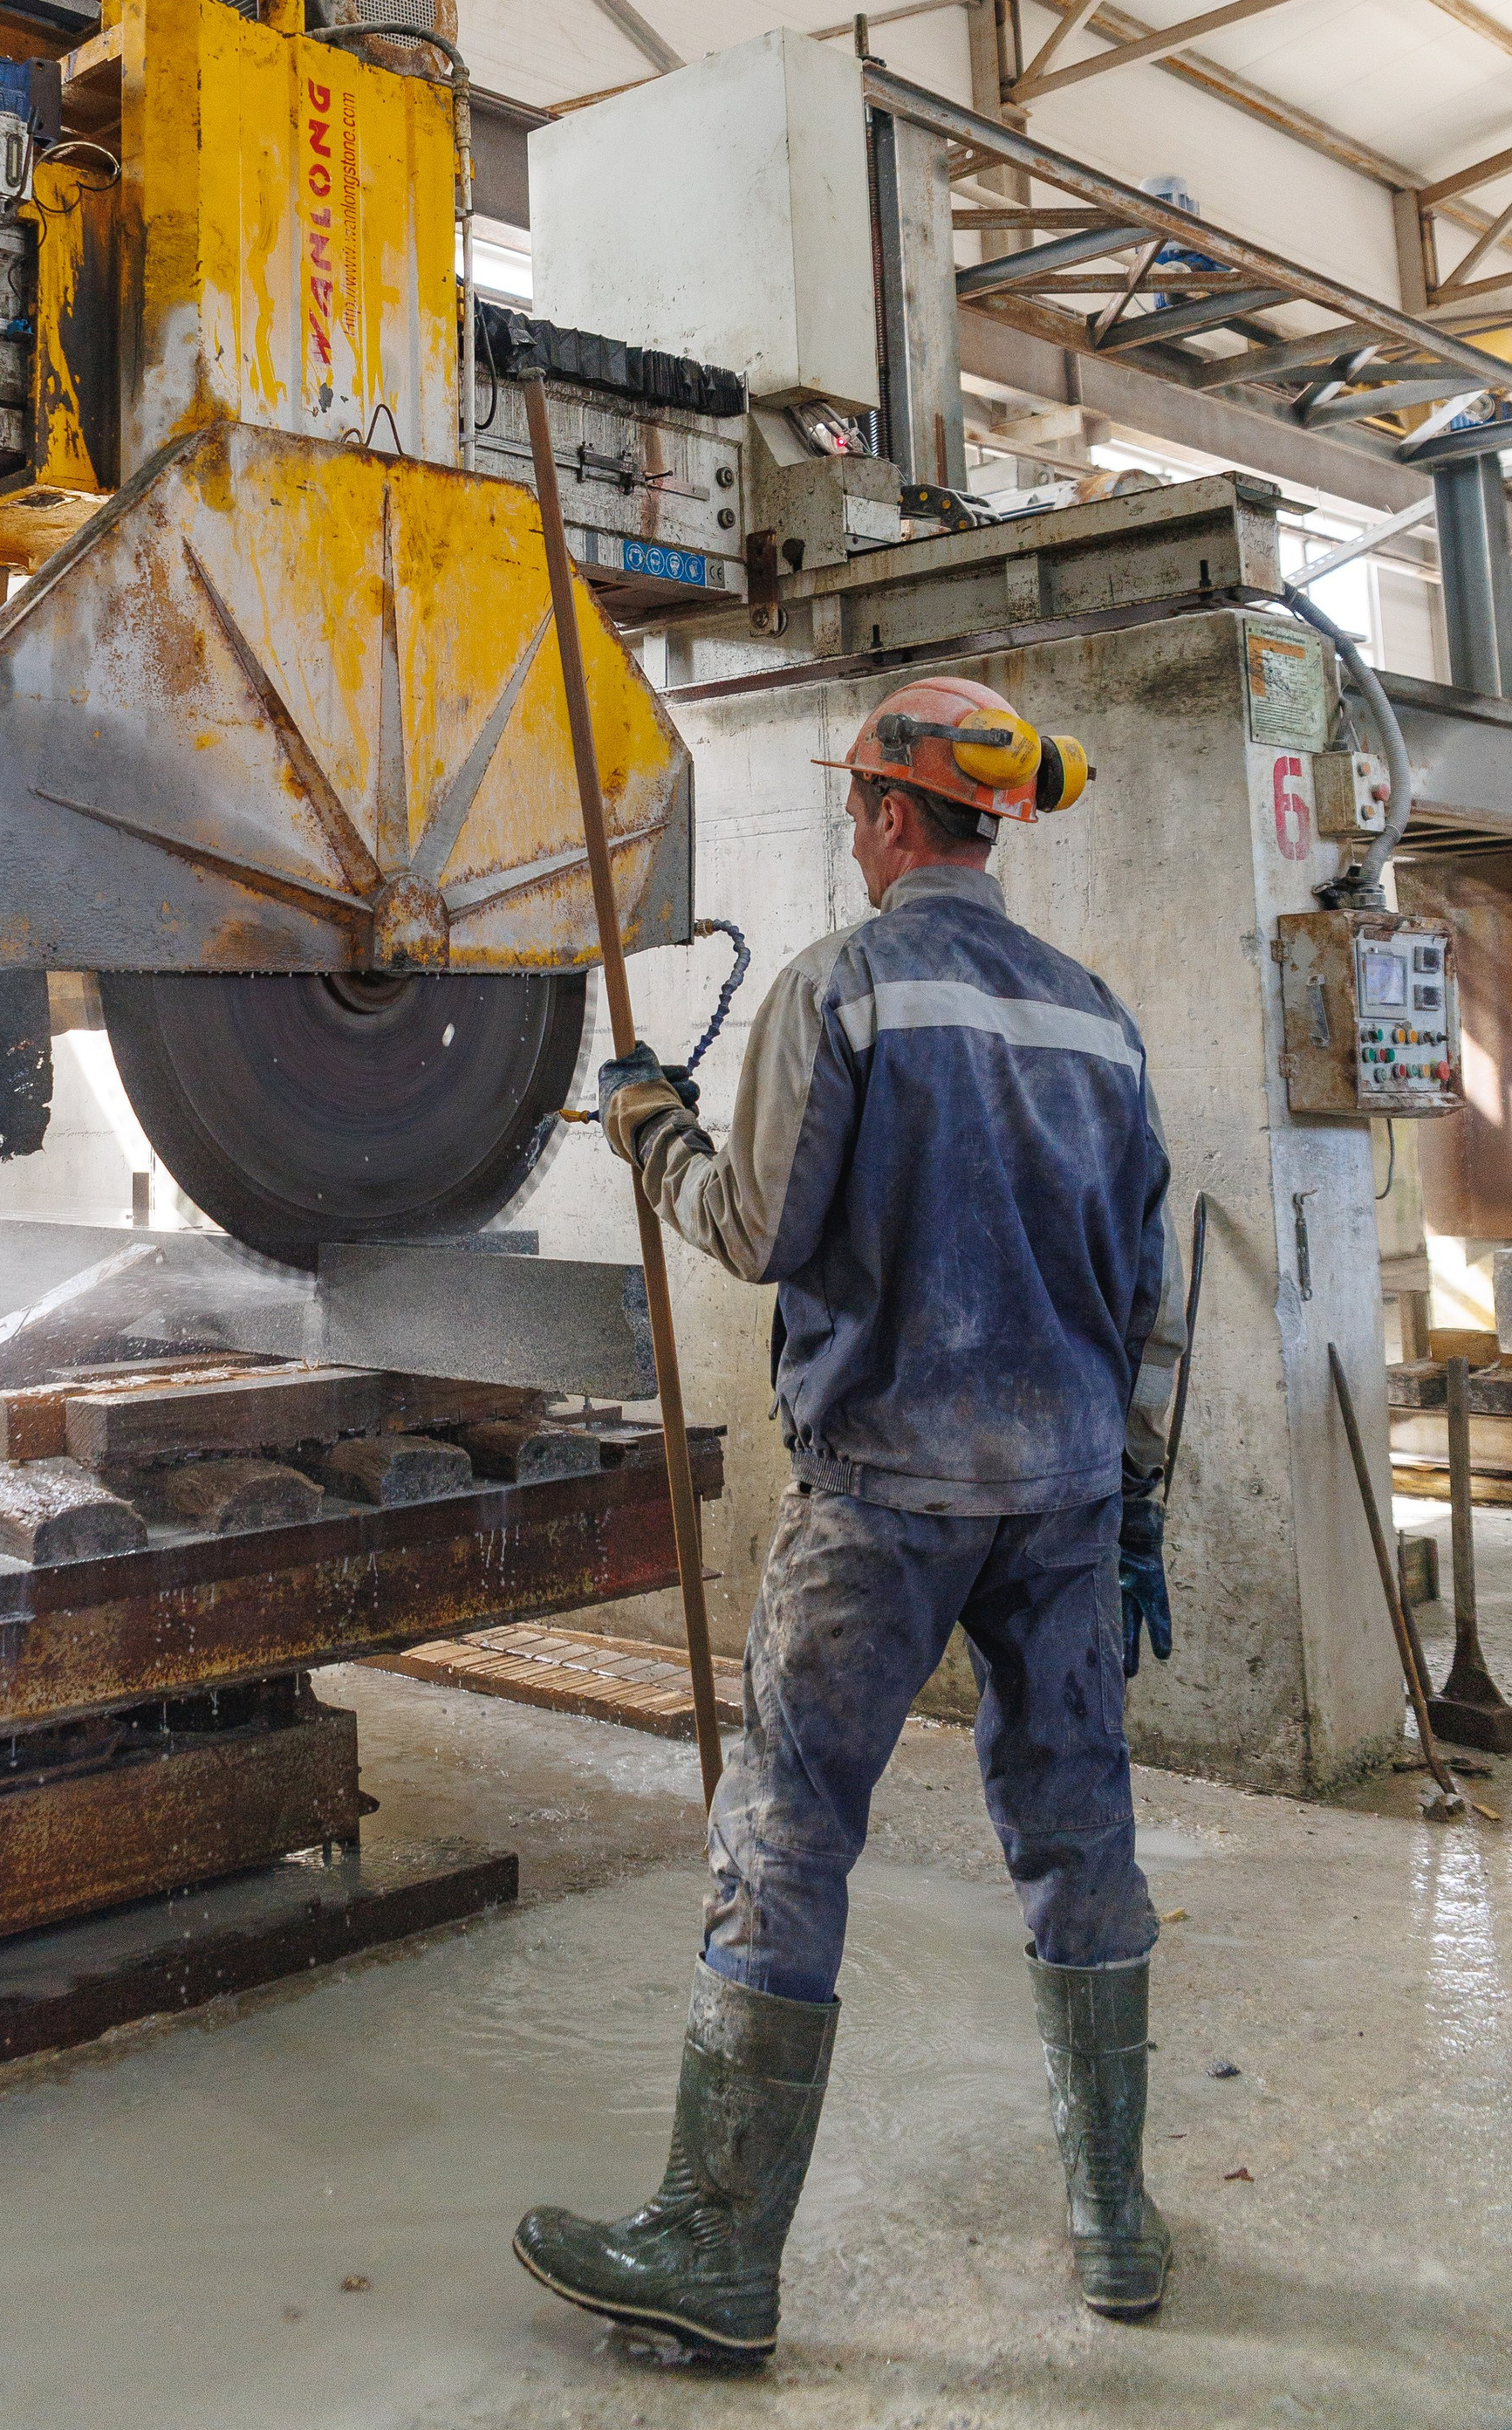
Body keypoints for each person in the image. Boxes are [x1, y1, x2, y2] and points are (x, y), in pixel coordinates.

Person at [513, 674, 1183, 2364]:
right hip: (1061, 1497)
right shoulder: (1093, 1016)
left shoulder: (846, 987)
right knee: (1075, 1832)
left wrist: (646, 1124)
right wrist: (1134, 1505)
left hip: (881, 1494)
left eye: (852, 807)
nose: (851, 830)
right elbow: (1146, 1296)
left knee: (787, 1833)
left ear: (893, 816)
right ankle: (1111, 2225)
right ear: (986, 824)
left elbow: (752, 1230)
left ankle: (718, 2248)